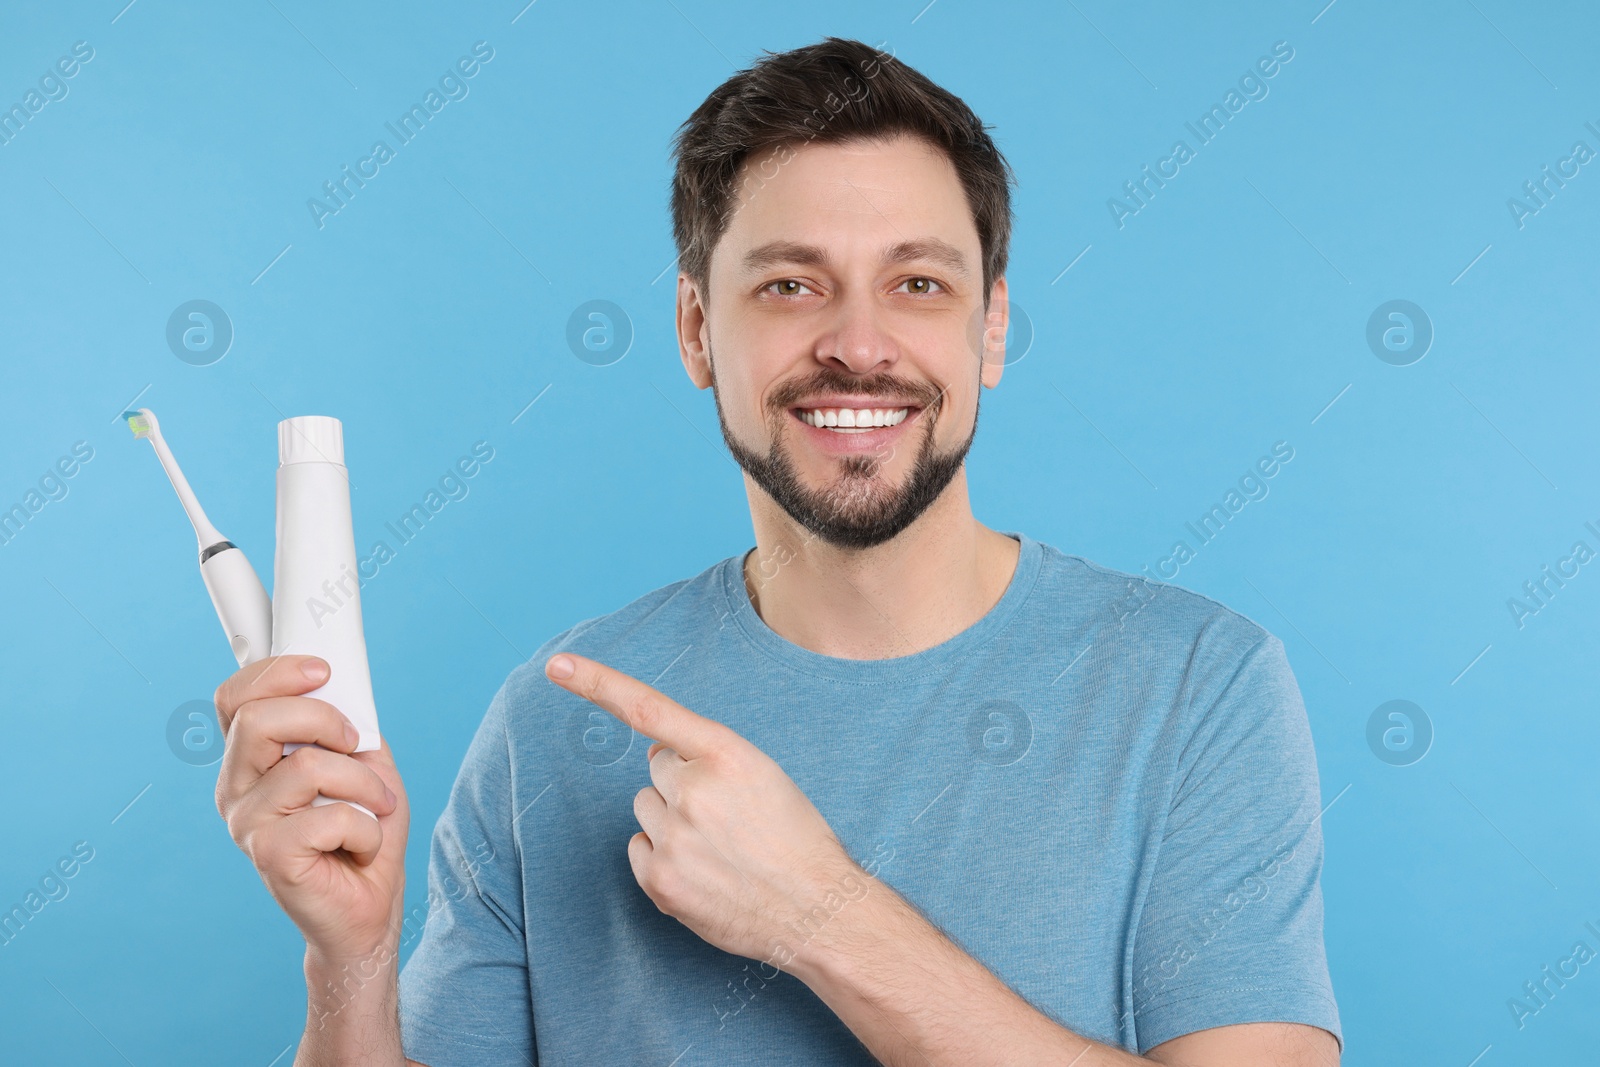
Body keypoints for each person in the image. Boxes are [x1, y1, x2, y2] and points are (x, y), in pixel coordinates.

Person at [212, 36, 1341, 1066]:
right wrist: (351, 960)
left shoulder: (1198, 685)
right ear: (699, 329)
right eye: (790, 284)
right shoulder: (551, 726)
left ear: (990, 326)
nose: (857, 345)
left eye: (917, 283)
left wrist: (819, 915)